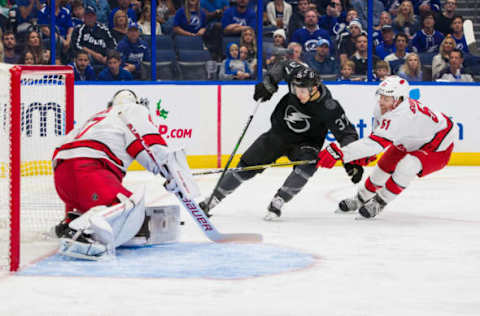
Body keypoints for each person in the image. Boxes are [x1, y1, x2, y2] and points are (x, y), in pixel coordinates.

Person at [201, 63, 364, 220]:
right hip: (278, 135)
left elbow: (347, 134)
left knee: (309, 164)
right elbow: (283, 65)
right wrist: (269, 82)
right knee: (246, 166)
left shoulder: (329, 107)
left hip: (306, 143)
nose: (297, 93)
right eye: (294, 88)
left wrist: (351, 161)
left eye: (302, 90)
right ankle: (214, 198)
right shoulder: (297, 75)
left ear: (314, 89)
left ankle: (279, 200)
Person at [52, 89, 186, 259]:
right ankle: (82, 229)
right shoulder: (133, 110)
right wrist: (171, 173)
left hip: (63, 181)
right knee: (132, 209)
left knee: (100, 201)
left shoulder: (98, 116)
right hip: (90, 175)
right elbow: (147, 142)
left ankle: (71, 220)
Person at [317, 75, 457, 219]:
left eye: (386, 99)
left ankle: (379, 202)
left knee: (407, 167)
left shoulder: (402, 115)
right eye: (381, 97)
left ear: (398, 100)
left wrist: (340, 153)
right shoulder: (383, 108)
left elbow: (375, 144)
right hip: (411, 139)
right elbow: (376, 137)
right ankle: (361, 198)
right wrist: (365, 153)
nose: (381, 102)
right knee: (383, 166)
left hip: (438, 144)